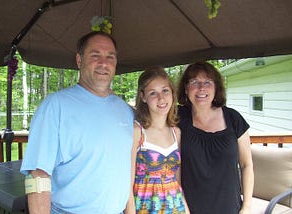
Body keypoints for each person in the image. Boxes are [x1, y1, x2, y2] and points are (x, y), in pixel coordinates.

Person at [20, 31, 134, 214]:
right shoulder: (55, 106)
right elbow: (38, 177)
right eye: (95, 55)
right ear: (79, 60)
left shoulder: (125, 111)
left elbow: (126, 172)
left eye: (110, 57)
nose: (104, 63)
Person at [177, 62, 254, 214]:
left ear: (216, 87)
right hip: (190, 209)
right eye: (194, 82)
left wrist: (247, 207)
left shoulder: (234, 118)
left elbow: (247, 165)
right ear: (186, 89)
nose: (201, 88)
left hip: (230, 207)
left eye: (207, 82)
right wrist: (182, 205)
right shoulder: (178, 118)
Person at [125, 67, 190, 214]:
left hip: (175, 206)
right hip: (145, 208)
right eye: (153, 93)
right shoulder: (138, 132)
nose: (161, 98)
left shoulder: (176, 132)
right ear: (143, 97)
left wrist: (185, 208)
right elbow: (127, 184)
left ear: (172, 93)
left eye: (165, 90)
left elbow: (177, 179)